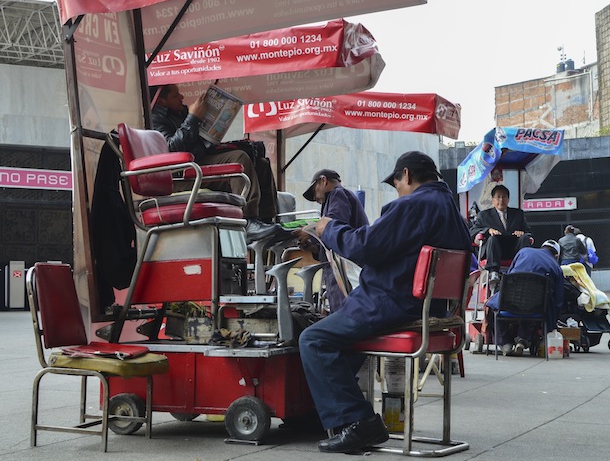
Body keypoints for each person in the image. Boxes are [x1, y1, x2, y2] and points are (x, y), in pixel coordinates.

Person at [298, 151, 471, 453]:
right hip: (430, 307)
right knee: (342, 345)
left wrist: (330, 230)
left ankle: (360, 422)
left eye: (396, 185)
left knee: (313, 339)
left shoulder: (414, 204)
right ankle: (337, 414)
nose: (398, 191)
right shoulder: (451, 211)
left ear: (406, 175)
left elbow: (367, 247)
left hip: (391, 303)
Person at [149, 84, 280, 241]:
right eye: (175, 96)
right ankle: (248, 220)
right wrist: (193, 118)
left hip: (199, 162)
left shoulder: (180, 112)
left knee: (261, 163)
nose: (181, 98)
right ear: (161, 101)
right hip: (182, 175)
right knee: (239, 159)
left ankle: (266, 222)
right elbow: (171, 149)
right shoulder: (155, 118)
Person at [295, 169, 369, 314]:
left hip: (345, 269)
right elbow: (334, 238)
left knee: (345, 315)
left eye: (315, 191)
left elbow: (334, 226)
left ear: (324, 181)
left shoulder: (338, 194)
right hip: (341, 269)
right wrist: (314, 247)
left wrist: (309, 232)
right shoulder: (336, 198)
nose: (315, 198)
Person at [485, 240, 565, 356]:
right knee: (534, 304)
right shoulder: (556, 267)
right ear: (556, 255)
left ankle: (505, 343)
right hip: (536, 307)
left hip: (510, 301)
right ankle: (523, 339)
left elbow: (510, 274)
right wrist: (553, 322)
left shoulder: (523, 251)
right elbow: (558, 300)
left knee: (493, 306)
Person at [470, 184, 533, 287]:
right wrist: (488, 230)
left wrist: (522, 233)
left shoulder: (518, 214)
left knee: (524, 238)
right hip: (494, 250)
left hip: (513, 249)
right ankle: (493, 273)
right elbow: (473, 231)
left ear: (508, 199)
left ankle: (524, 270)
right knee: (492, 239)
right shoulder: (484, 215)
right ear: (493, 200)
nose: (501, 200)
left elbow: (528, 232)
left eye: (504, 197)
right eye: (498, 197)